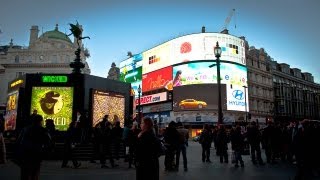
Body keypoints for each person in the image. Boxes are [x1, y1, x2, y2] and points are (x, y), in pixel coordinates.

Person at [16, 114, 51, 180]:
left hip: (25, 154)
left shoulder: (25, 129)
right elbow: (48, 142)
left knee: (25, 173)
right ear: (41, 121)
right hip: (36, 154)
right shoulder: (43, 130)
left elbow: (19, 141)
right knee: (34, 173)